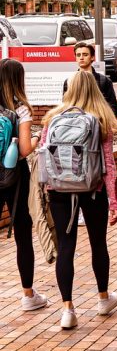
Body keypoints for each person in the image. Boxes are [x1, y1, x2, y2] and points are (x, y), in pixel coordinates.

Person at [41, 71, 117, 329]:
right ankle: (103, 298)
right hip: (93, 190)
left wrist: (46, 189)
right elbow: (108, 163)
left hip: (59, 191)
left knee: (66, 246)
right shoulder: (102, 119)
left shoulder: (53, 118)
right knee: (98, 244)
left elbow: (43, 156)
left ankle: (67, 310)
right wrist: (114, 202)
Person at [0, 59, 48, 312]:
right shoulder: (20, 109)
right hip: (15, 178)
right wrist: (38, 136)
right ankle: (28, 295)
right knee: (22, 234)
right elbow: (25, 149)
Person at [63, 42, 117, 117]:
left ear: (92, 57)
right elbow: (65, 106)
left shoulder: (104, 81)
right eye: (78, 55)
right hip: (76, 125)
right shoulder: (69, 81)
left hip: (98, 124)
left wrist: (101, 120)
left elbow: (113, 108)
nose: (81, 58)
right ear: (75, 58)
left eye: (85, 54)